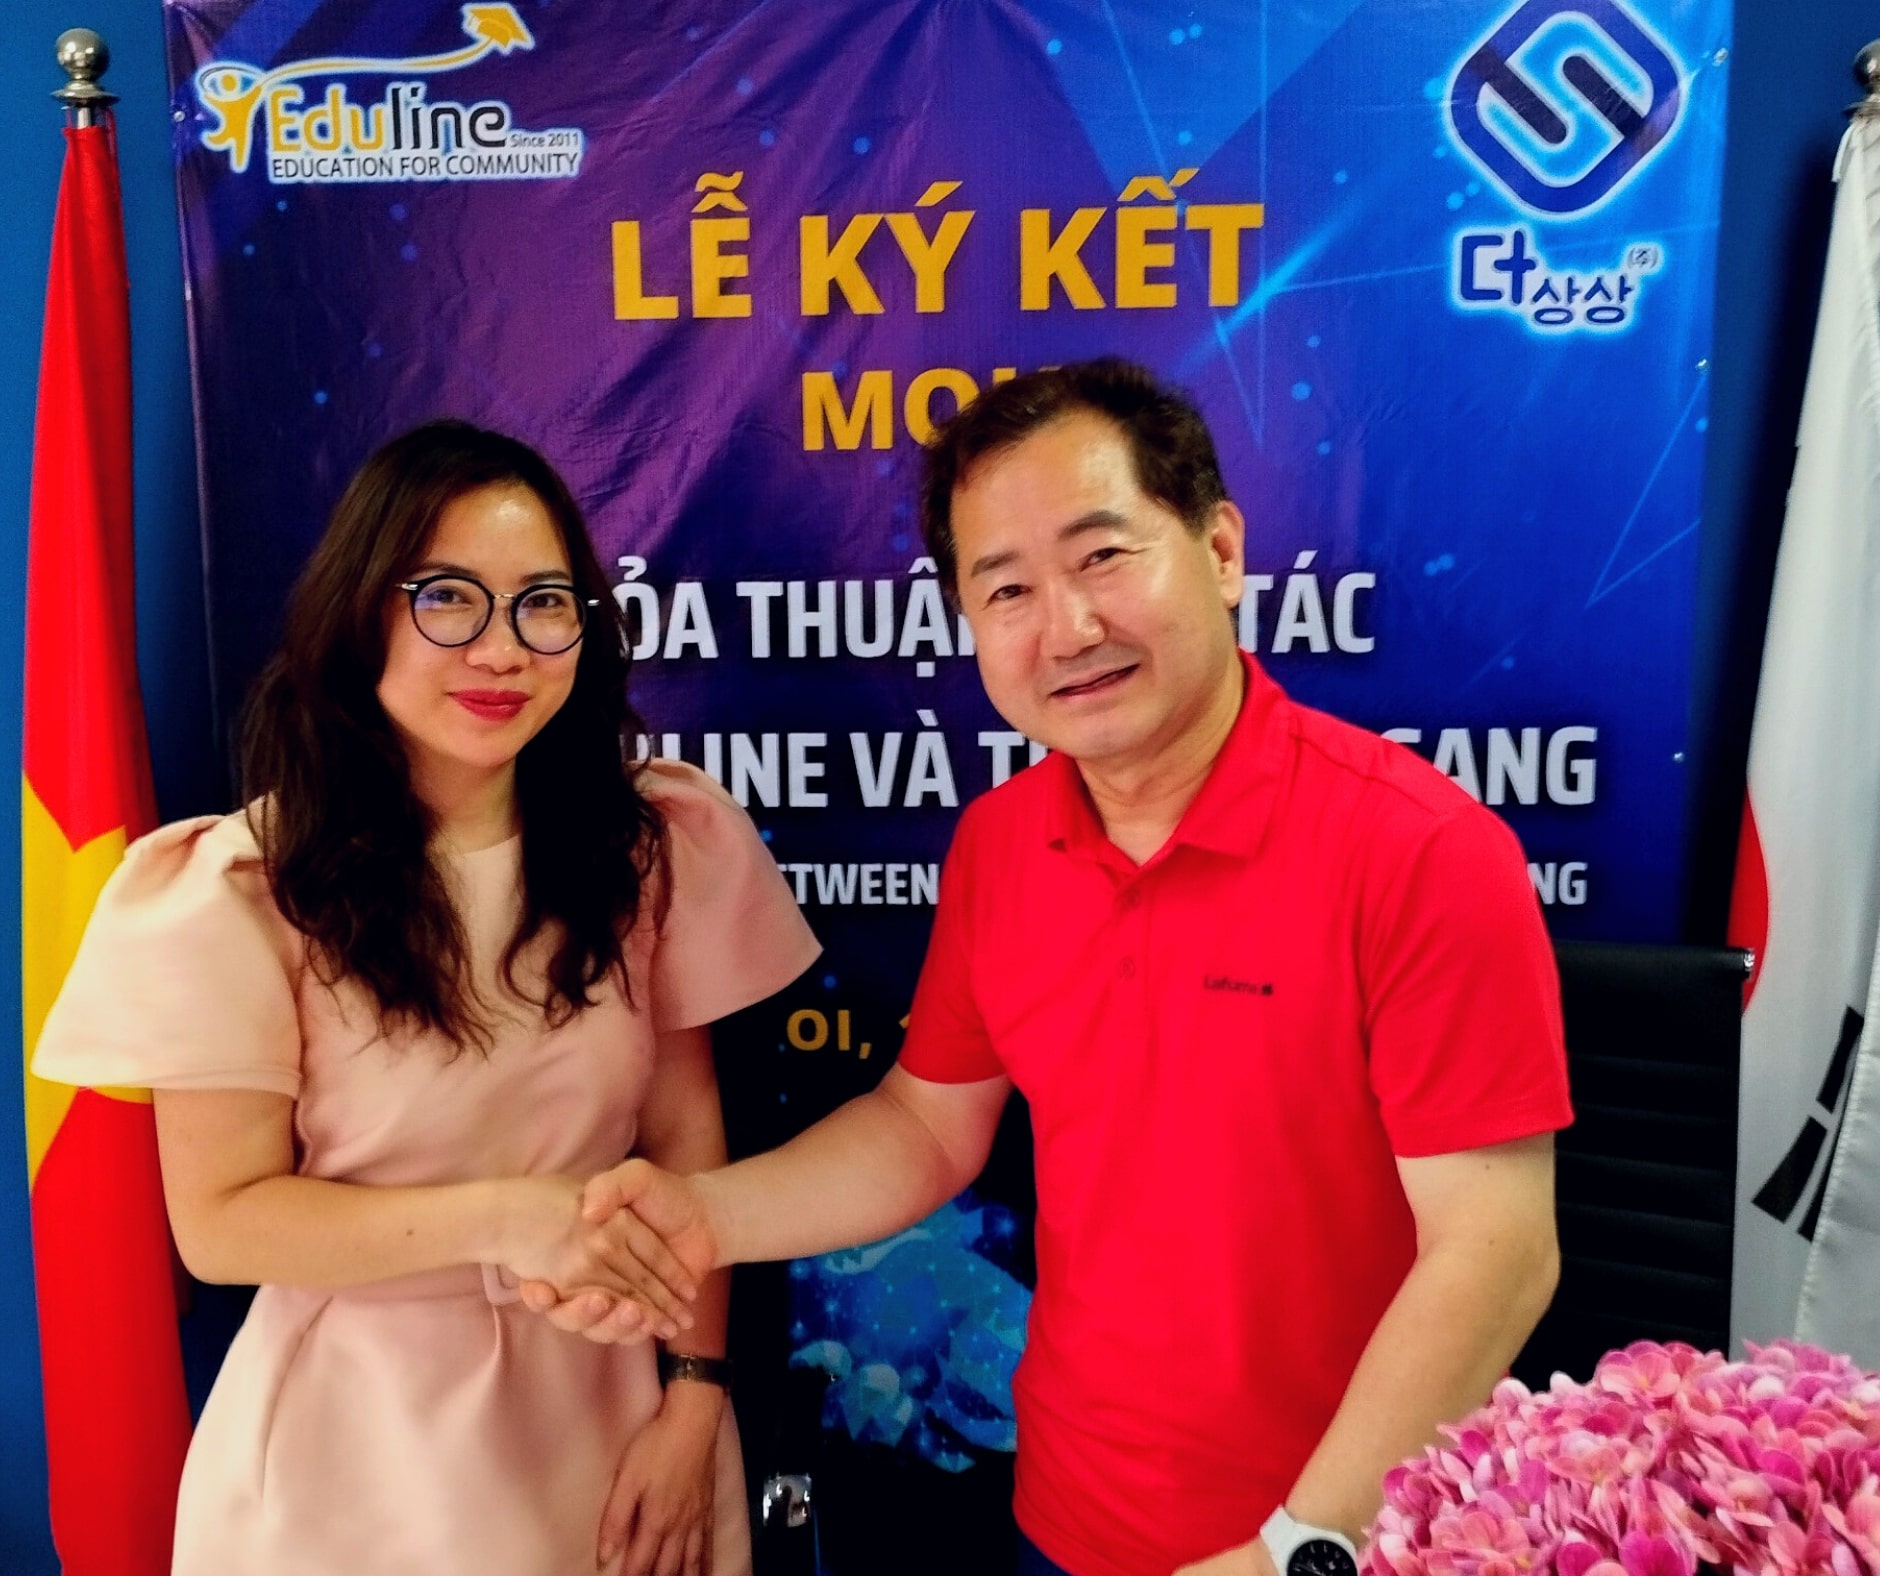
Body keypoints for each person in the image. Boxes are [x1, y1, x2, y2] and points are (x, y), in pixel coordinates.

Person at [525, 359, 1573, 1576]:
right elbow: (925, 1129)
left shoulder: (1420, 850)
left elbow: (1495, 1248)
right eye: (1007, 589)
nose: (1066, 628)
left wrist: (1299, 1545)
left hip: (1342, 1541)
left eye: (1102, 556)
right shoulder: (1002, 844)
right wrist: (699, 1218)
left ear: (1219, 549)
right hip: (1067, 1518)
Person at [32, 421, 819, 1576]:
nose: (502, 650)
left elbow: (684, 1136)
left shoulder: (649, 846)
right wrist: (507, 1217)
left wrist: (695, 1393)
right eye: (448, 598)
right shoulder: (240, 886)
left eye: (543, 604)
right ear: (362, 611)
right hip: (353, 1450)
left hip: (616, 1415)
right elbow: (222, 1224)